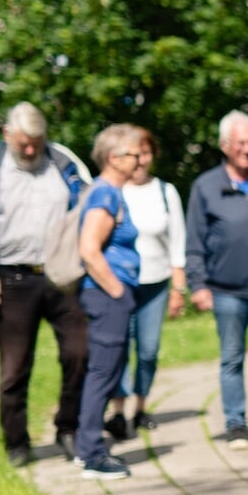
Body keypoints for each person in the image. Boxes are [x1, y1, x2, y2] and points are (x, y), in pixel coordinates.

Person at [0, 102, 93, 467]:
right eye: (23, 143)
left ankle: (69, 428)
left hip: (63, 277)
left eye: (36, 142)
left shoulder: (65, 163)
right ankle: (17, 443)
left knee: (79, 353)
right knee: (14, 369)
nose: (30, 150)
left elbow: (96, 211)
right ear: (7, 135)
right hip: (11, 281)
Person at [186, 111, 248, 450]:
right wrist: (197, 285)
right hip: (226, 291)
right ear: (225, 146)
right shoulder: (206, 186)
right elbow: (195, 242)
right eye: (241, 143)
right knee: (232, 357)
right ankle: (235, 423)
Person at [73, 124, 147, 480]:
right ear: (115, 159)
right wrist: (118, 292)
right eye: (134, 154)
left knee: (107, 370)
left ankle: (88, 447)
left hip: (108, 295)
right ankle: (90, 453)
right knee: (104, 372)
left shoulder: (108, 192)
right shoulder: (106, 195)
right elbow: (89, 250)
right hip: (106, 296)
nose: (140, 159)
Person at [104, 130, 186, 440]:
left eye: (146, 153)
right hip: (121, 283)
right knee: (120, 347)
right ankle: (118, 411)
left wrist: (179, 288)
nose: (140, 160)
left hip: (156, 283)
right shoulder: (115, 192)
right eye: (135, 154)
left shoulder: (166, 192)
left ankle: (140, 406)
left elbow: (177, 242)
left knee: (148, 350)